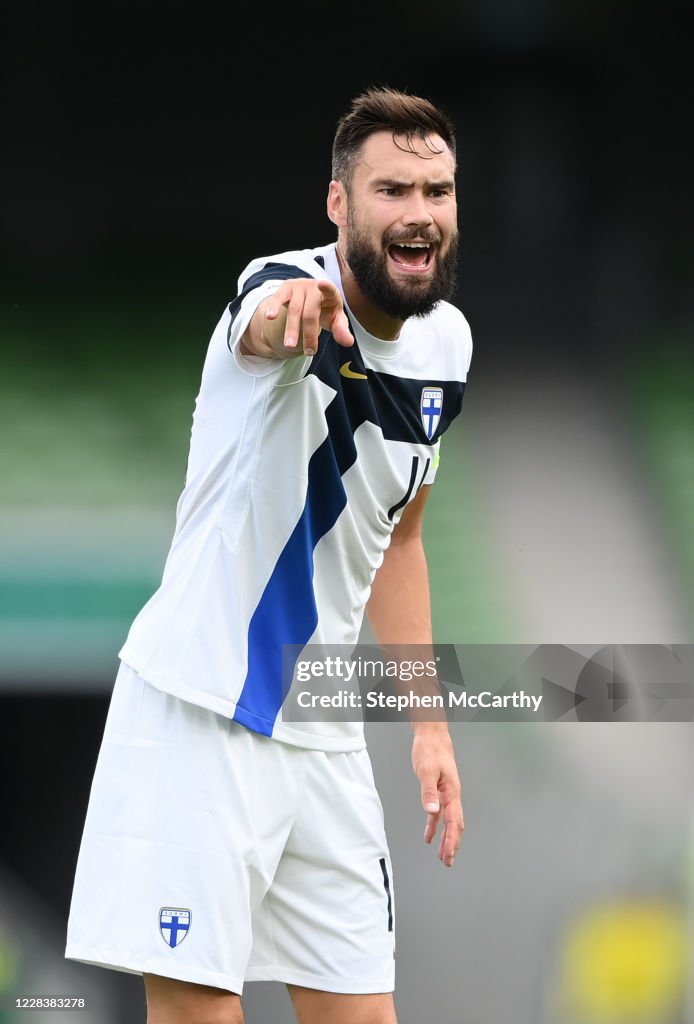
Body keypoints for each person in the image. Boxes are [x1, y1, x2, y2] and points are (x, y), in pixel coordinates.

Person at [65, 85, 472, 1024]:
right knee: (202, 1013)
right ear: (339, 204)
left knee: (364, 1016)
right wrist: (287, 312)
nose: (419, 214)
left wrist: (431, 725)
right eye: (393, 190)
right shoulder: (285, 290)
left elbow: (398, 530)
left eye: (438, 192)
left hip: (323, 734)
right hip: (204, 711)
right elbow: (264, 321)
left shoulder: (448, 345)